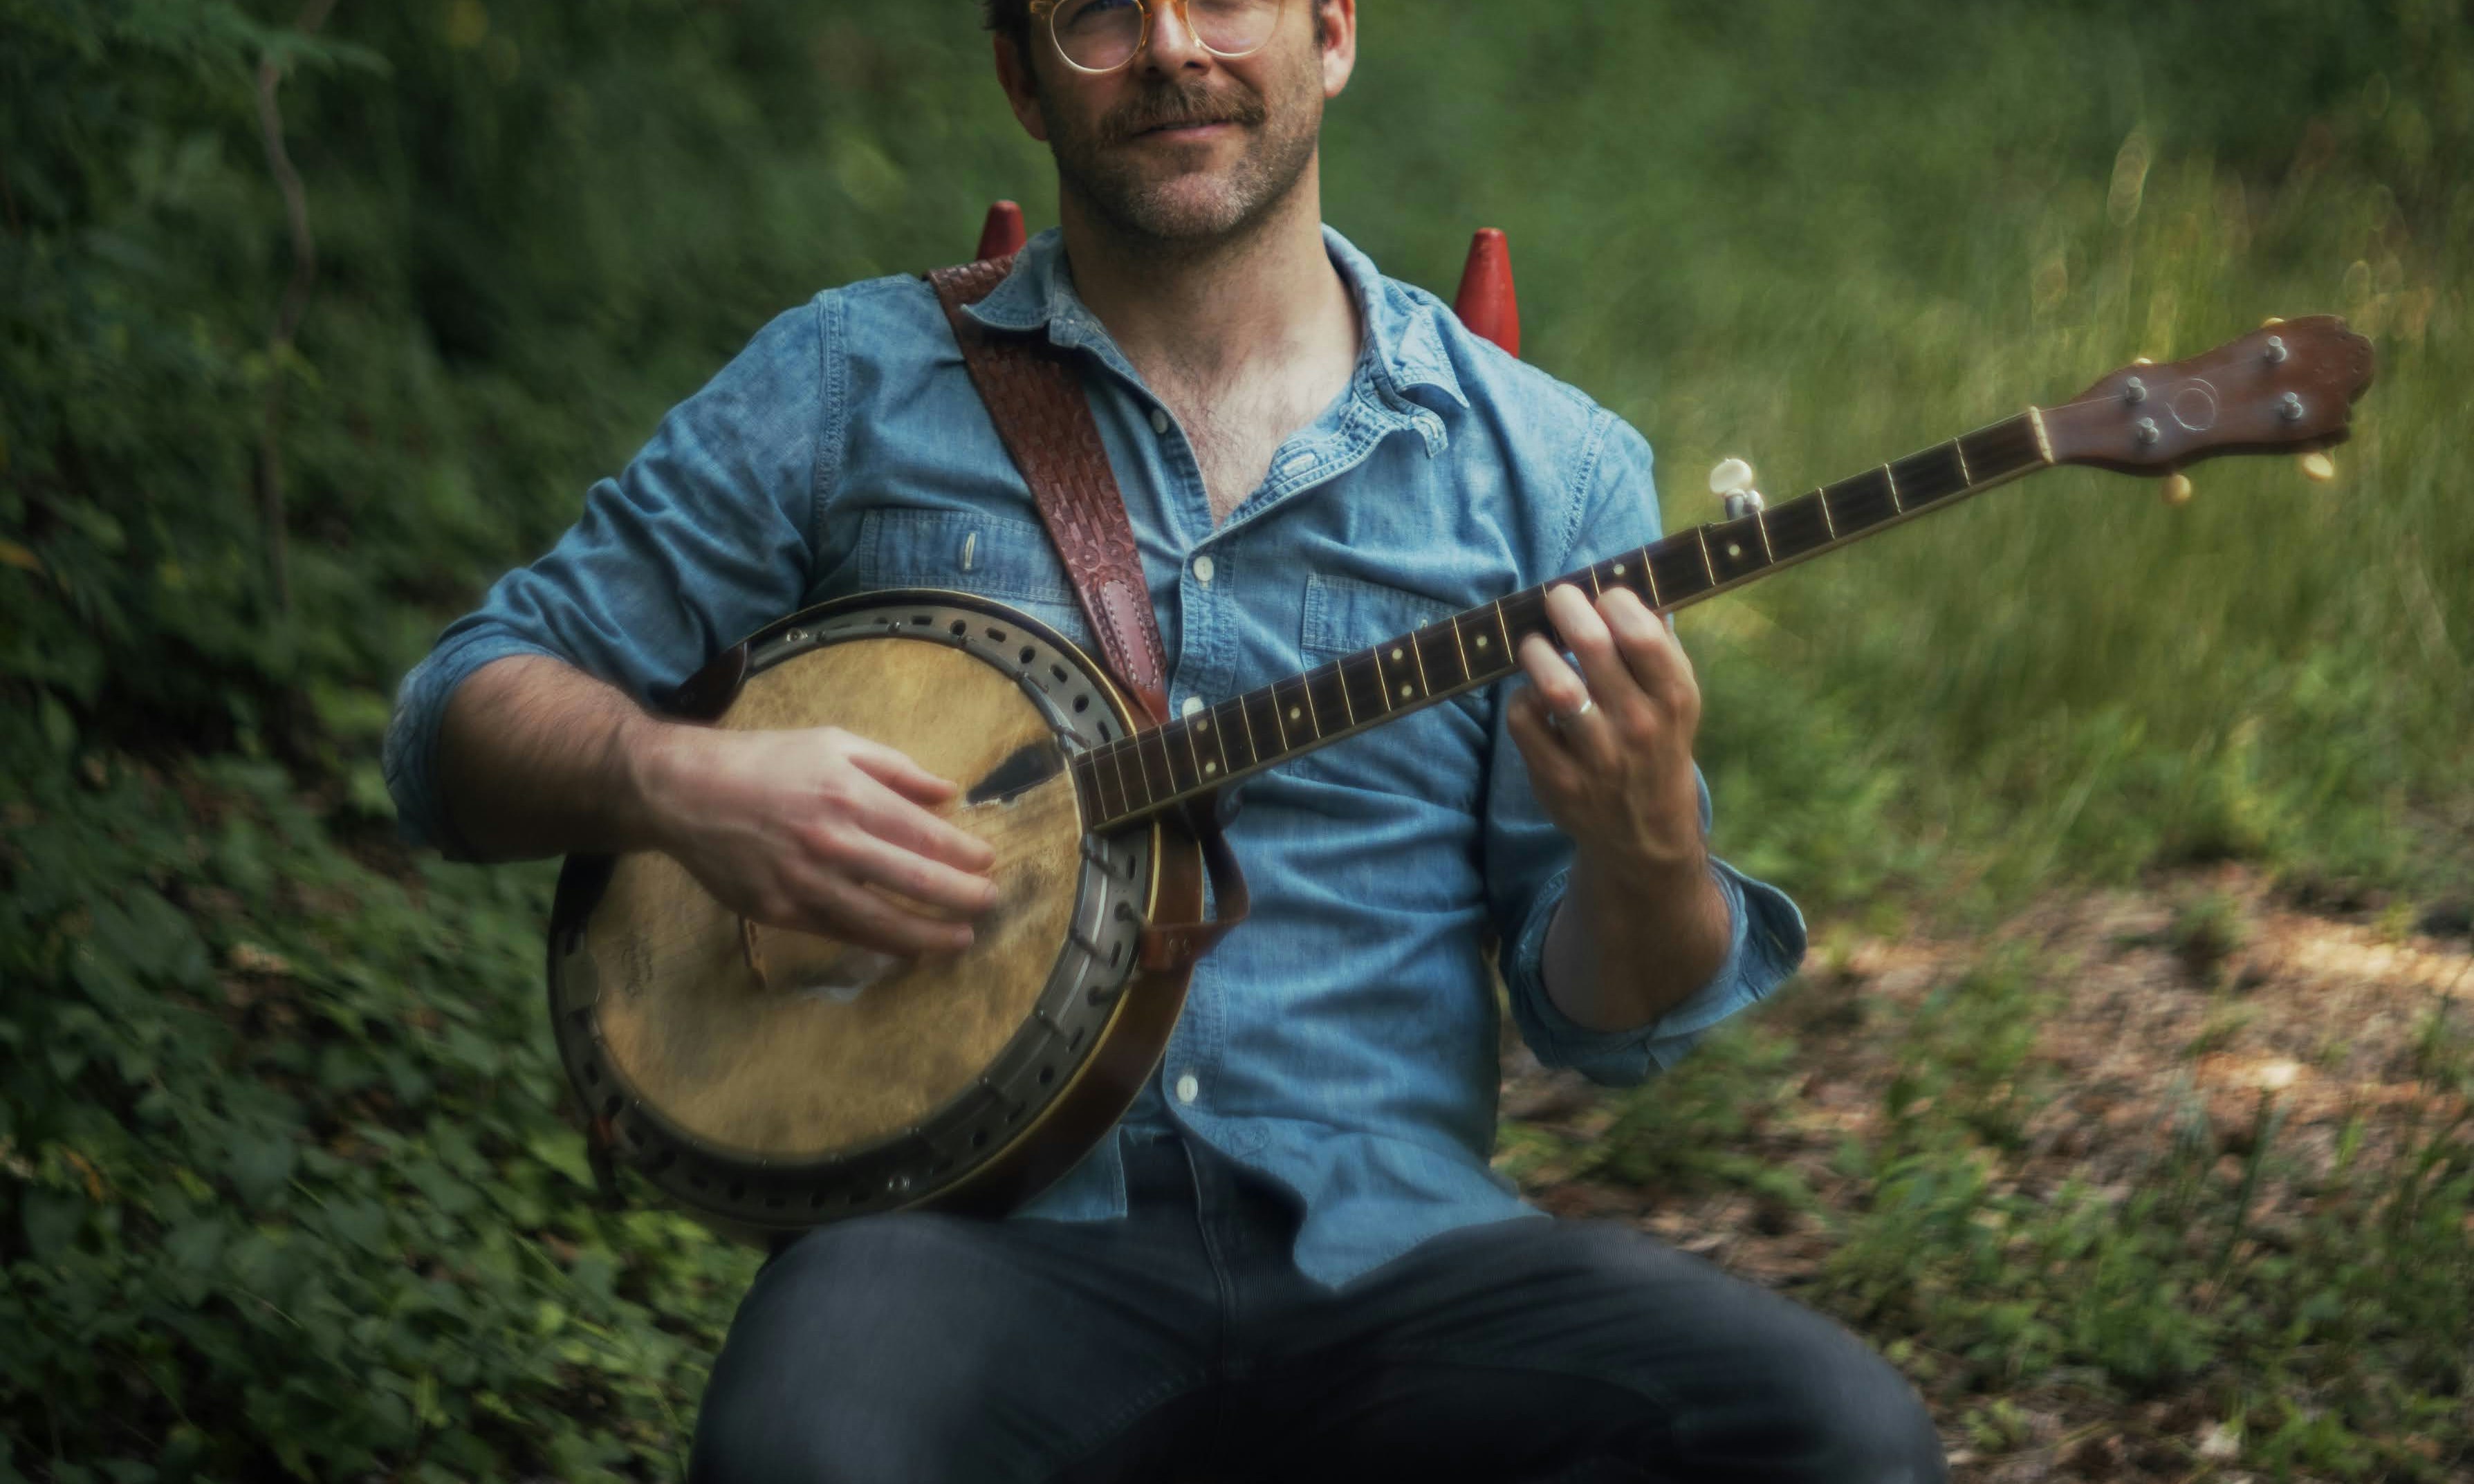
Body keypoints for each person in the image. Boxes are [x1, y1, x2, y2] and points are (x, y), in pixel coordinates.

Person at [382, 0, 1947, 1478]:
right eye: (1099, 13)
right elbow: (459, 712)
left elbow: (1611, 1023)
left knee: (1838, 1435)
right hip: (967, 1255)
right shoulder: (845, 387)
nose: (1172, 49)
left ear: (1330, 31)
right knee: (805, 1441)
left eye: (1222, 1)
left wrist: (1648, 840)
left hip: (1398, 1268)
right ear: (1021, 77)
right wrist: (675, 774)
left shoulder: (1548, 470)